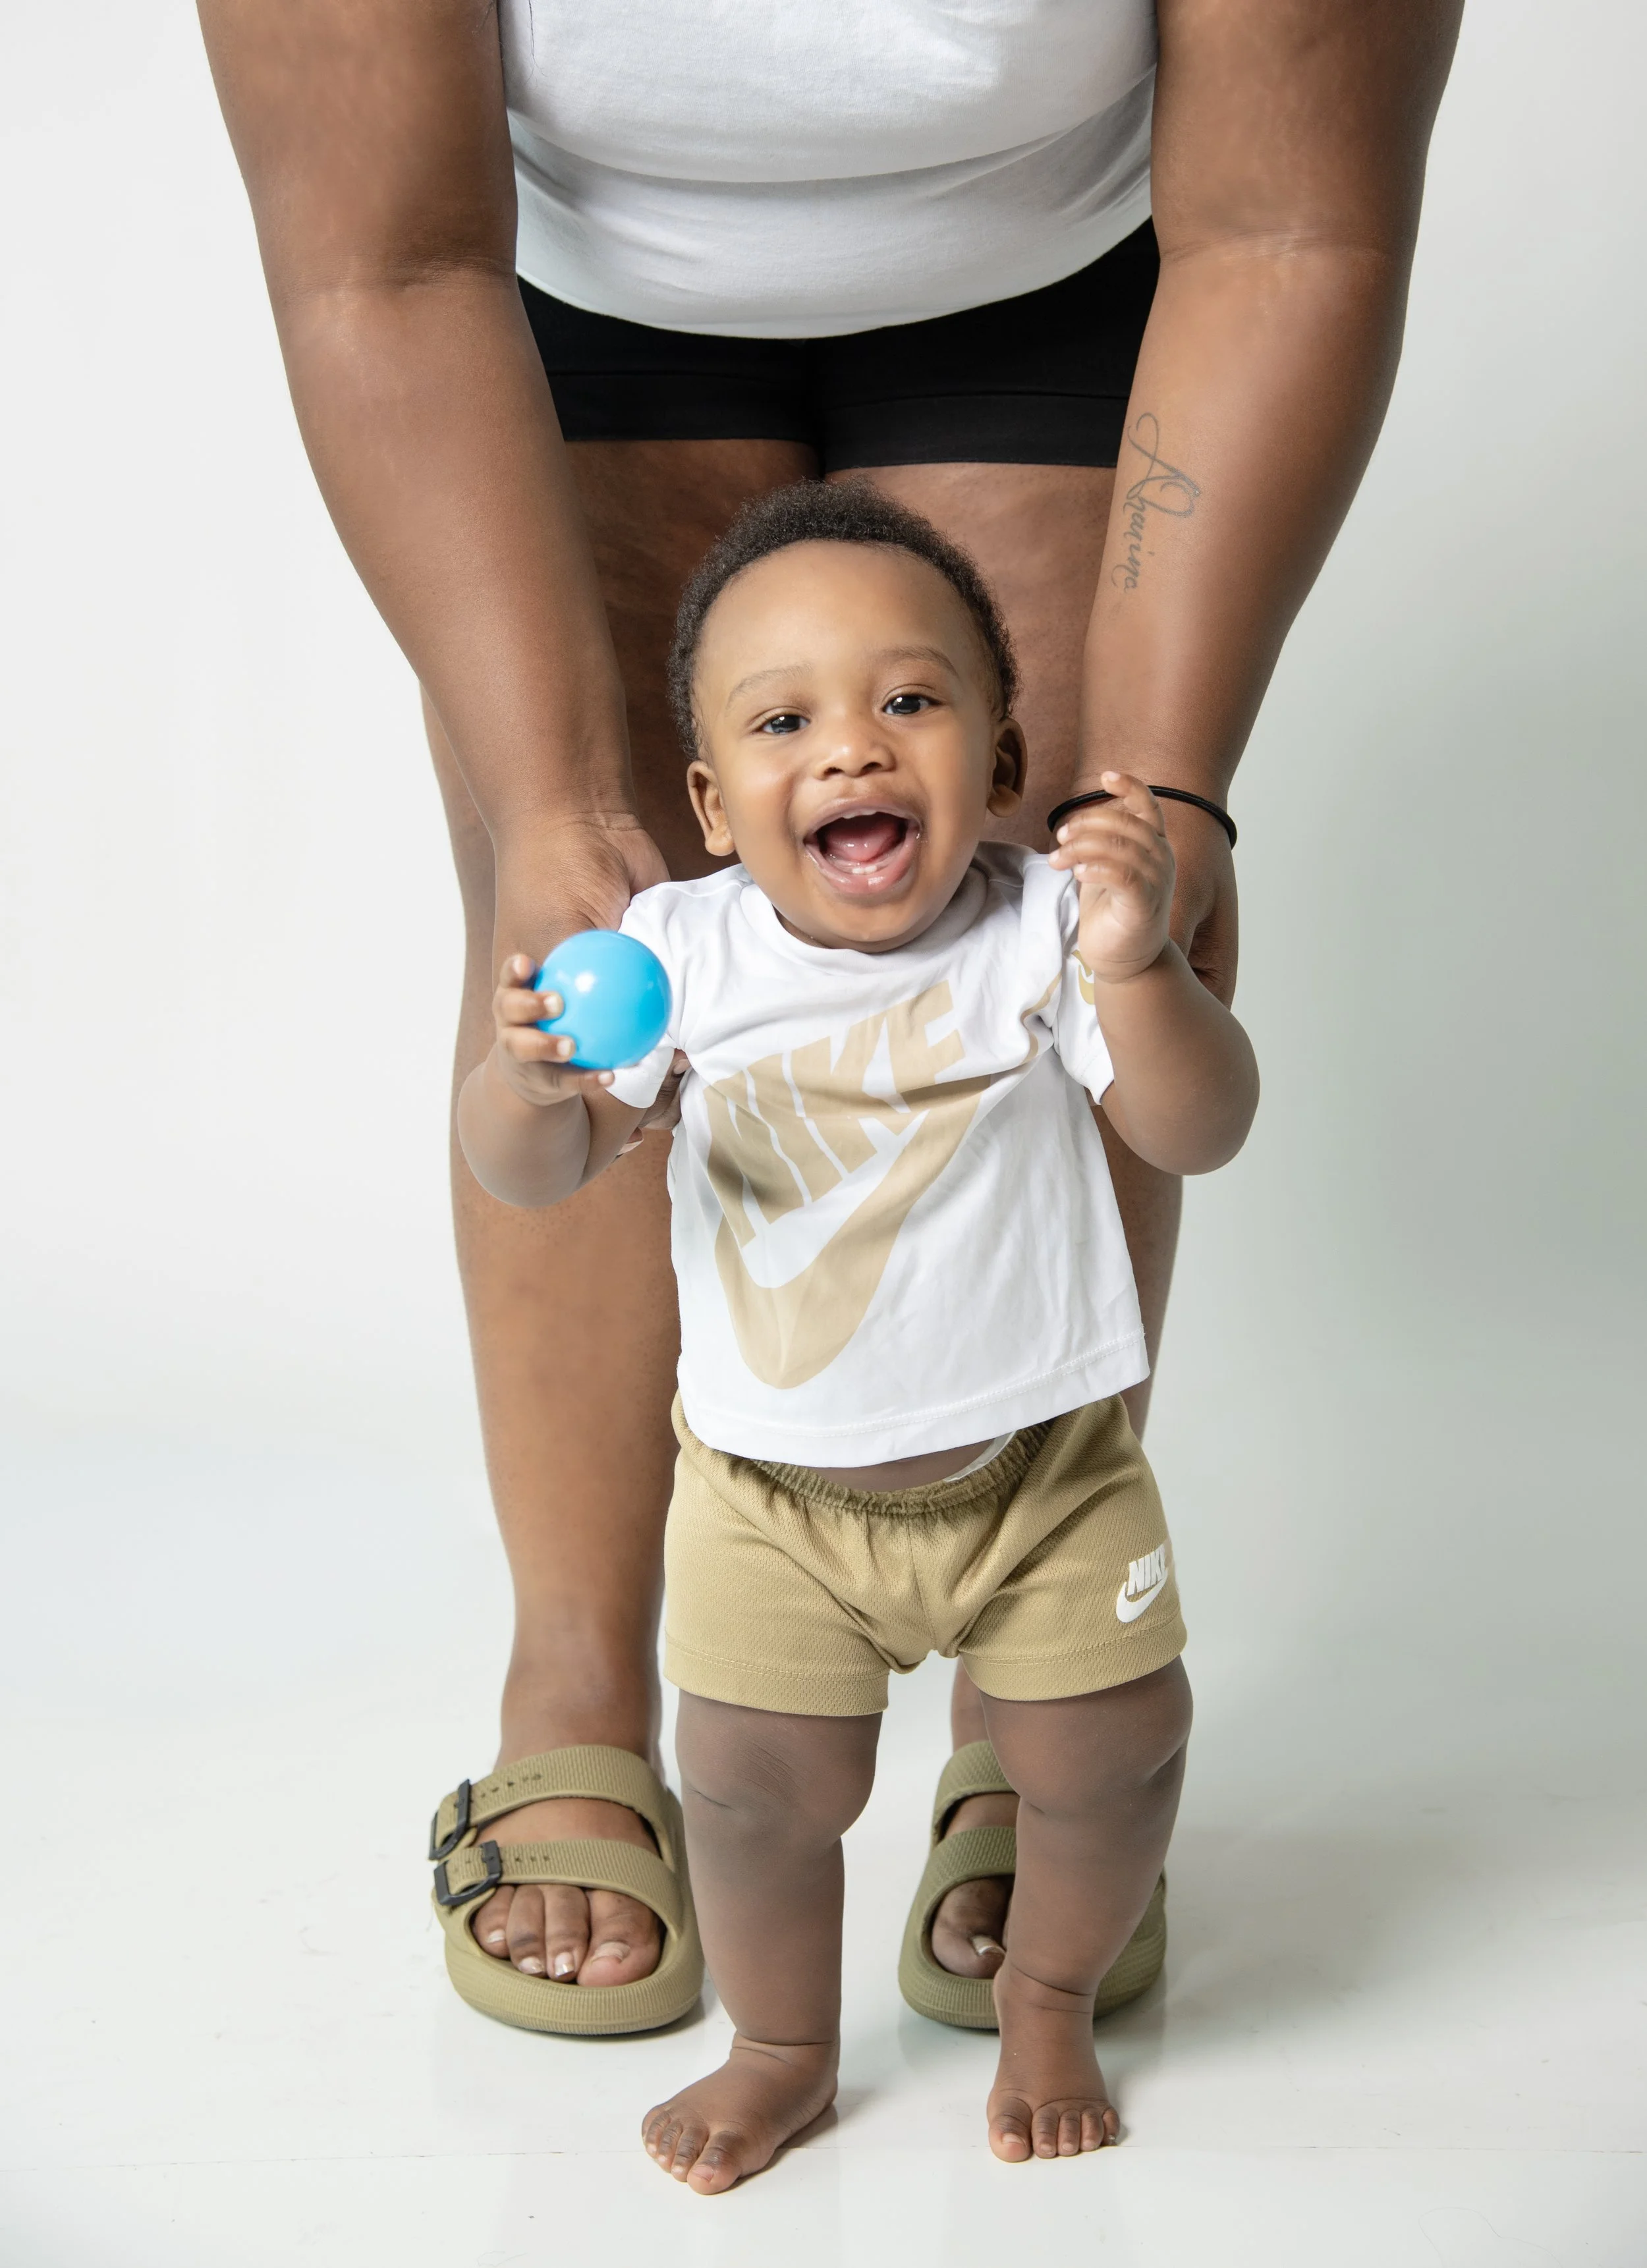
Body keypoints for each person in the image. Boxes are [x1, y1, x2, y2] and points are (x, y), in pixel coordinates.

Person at [201, 0, 1460, 2019]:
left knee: (1060, 907)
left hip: (1052, 264)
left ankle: (1039, 1703)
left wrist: (1166, 815)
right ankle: (584, 1681)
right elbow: (379, 255)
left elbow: (1294, 226)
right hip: (540, 287)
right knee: (591, 944)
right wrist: (540, 804)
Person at [446, 482, 1259, 2182]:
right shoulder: (679, 956)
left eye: (912, 700)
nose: (854, 752)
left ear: (1001, 745)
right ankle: (787, 2046)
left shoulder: (1041, 927)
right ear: (710, 800)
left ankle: (1048, 1994)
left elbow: (1201, 1127)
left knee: (1112, 1761)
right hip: (769, 1501)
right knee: (750, 1797)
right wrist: (520, 1087)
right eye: (785, 720)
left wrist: (1145, 967)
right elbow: (544, 1172)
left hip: (1044, 1478)